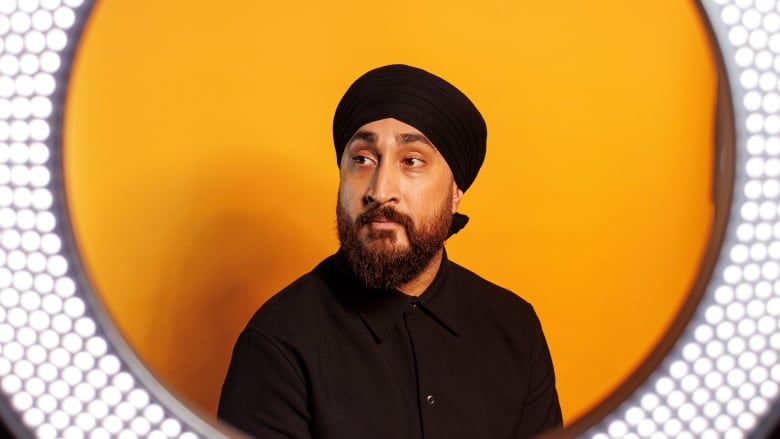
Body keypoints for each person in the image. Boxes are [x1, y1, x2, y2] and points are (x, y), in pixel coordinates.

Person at [217, 64, 563, 439]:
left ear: (456, 191)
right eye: (362, 159)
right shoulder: (278, 342)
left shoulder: (515, 328)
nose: (380, 191)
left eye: (411, 161)